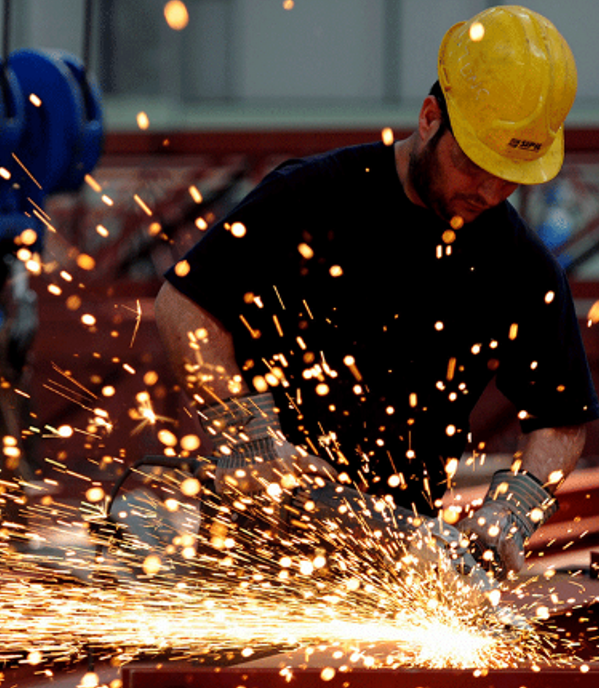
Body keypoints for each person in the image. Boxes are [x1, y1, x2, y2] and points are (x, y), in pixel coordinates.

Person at [154, 5, 596, 578]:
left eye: (509, 175)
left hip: (402, 567)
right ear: (431, 116)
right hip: (255, 550)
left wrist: (511, 511)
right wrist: (249, 435)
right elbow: (184, 304)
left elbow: (561, 416)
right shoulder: (312, 199)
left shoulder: (521, 266)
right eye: (474, 165)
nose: (489, 191)